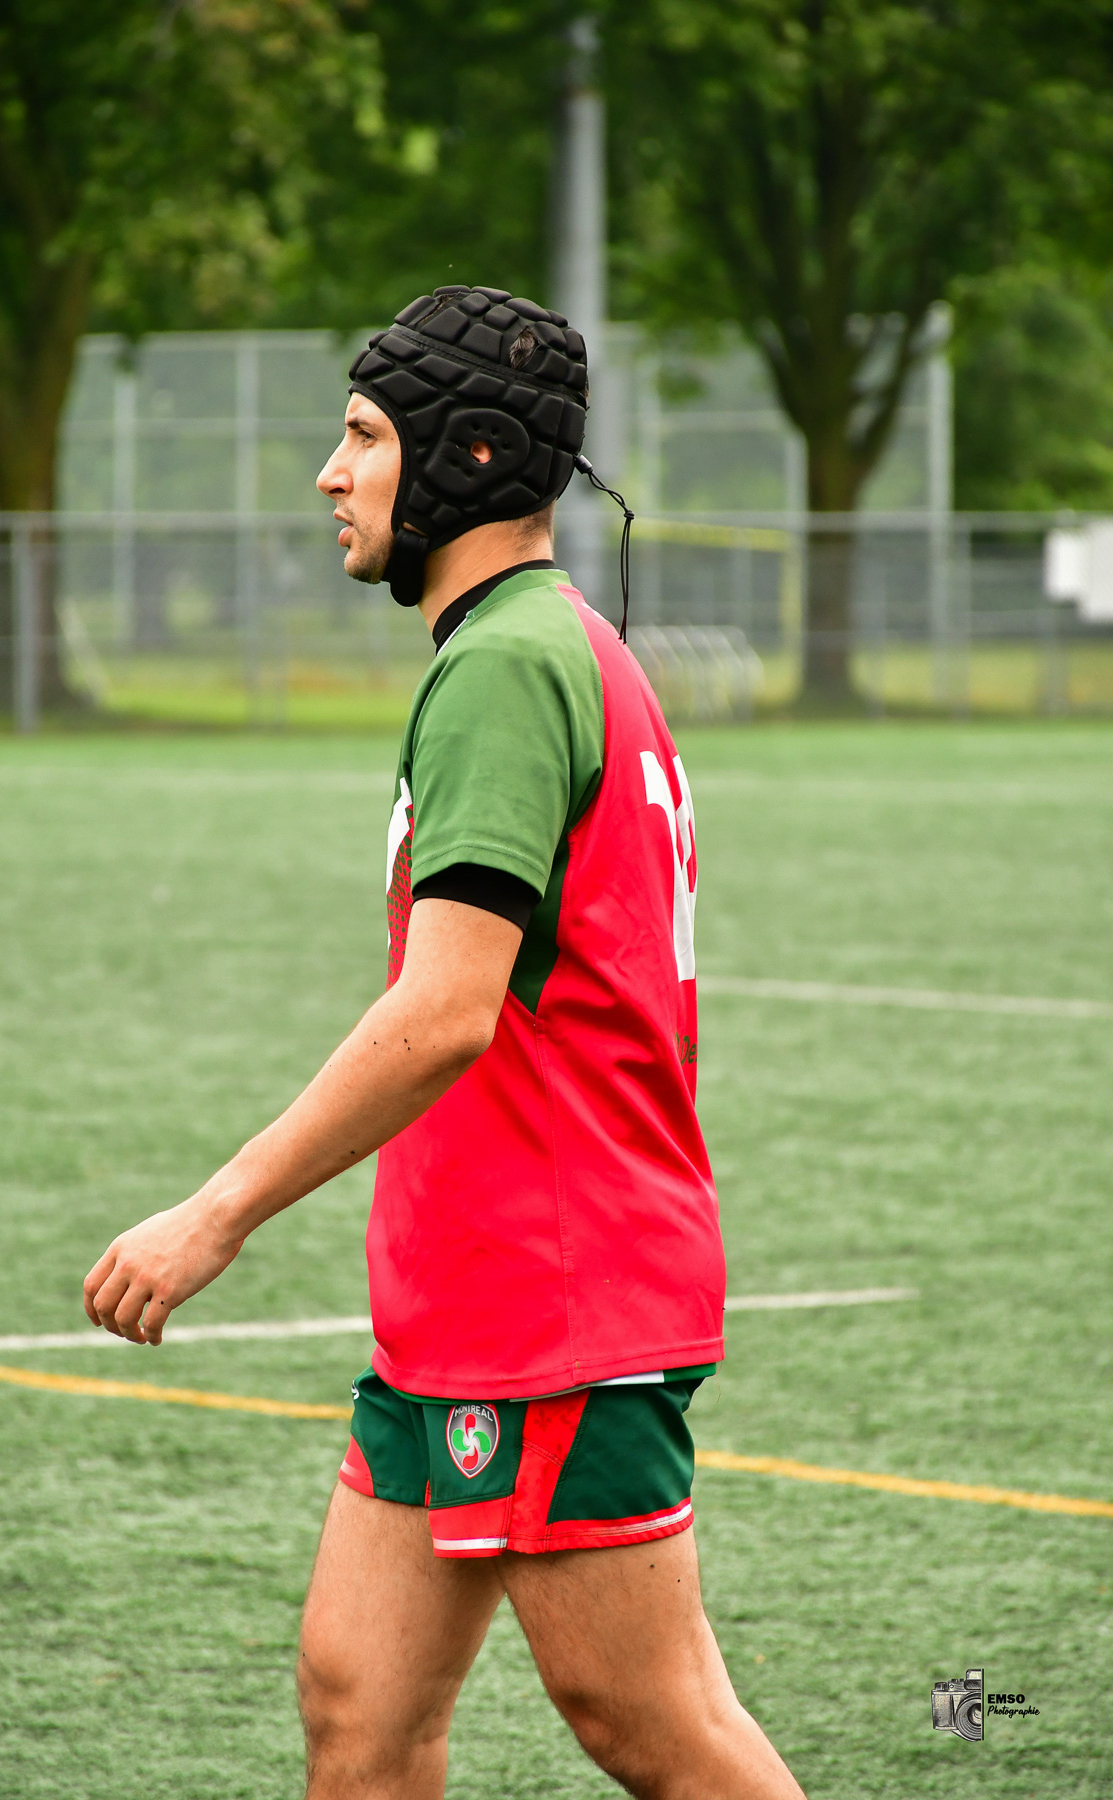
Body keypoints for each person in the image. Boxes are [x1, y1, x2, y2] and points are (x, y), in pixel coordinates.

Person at [83, 285, 805, 1800]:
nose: (330, 474)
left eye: (361, 436)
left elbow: (444, 1011)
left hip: (557, 1294)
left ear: (464, 457)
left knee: (650, 1723)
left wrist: (214, 1214)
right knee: (360, 1709)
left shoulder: (507, 665)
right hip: (468, 1297)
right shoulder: (538, 646)